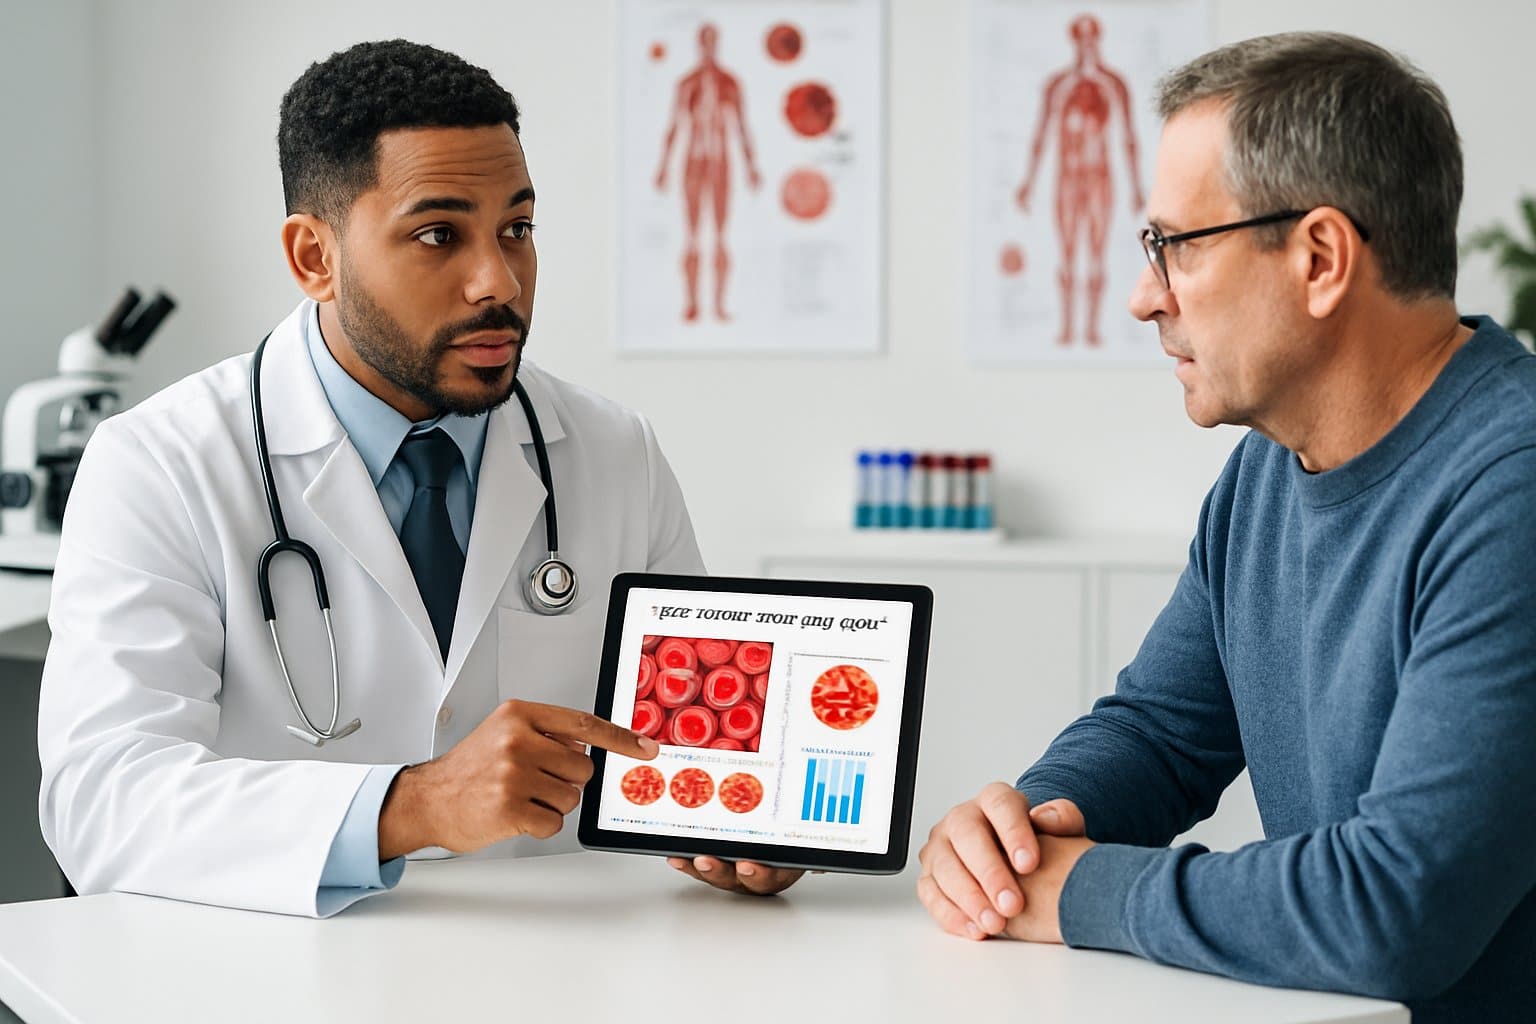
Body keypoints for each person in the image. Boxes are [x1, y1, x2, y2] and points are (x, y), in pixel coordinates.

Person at [37, 39, 800, 917]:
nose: (500, 280)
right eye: (440, 235)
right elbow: (101, 801)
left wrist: (745, 830)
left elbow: (686, 753)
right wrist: (416, 805)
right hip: (274, 976)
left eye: (517, 228)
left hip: (563, 969)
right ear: (313, 257)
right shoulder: (161, 465)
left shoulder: (613, 450)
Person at [920, 31, 1536, 1022]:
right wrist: (1018, 838)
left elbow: (1395, 909)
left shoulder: (1513, 487)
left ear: (1320, 258)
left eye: (1177, 246)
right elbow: (1162, 734)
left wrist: (1074, 891)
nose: (1142, 296)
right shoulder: (1266, 471)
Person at [1015, 14, 1144, 346]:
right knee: (1069, 253)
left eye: (1092, 38)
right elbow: (1041, 134)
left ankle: (1091, 330)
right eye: (1081, 39)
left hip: (1100, 177)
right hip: (1068, 179)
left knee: (1097, 253)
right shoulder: (1059, 85)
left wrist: (1136, 188)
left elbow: (1129, 136)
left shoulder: (1113, 84)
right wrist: (1028, 182)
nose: (1087, 45)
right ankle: (1068, 329)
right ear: (1074, 41)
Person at [654, 22, 761, 323]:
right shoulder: (688, 84)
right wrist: (663, 166)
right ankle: (692, 303)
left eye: (714, 41)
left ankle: (718, 305)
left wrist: (751, 166)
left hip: (720, 163)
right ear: (700, 44)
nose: (709, 47)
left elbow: (741, 128)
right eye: (706, 42)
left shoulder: (730, 83)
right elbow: (674, 126)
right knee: (691, 236)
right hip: (694, 163)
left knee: (720, 235)